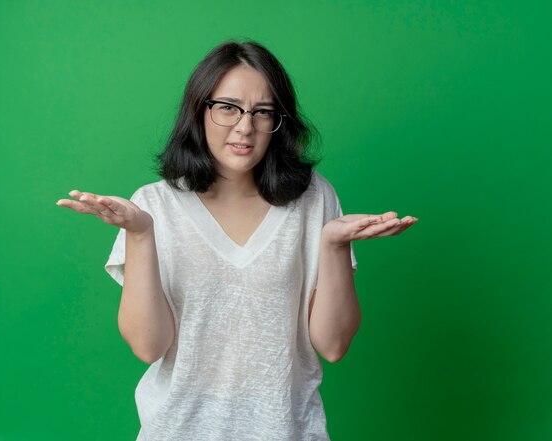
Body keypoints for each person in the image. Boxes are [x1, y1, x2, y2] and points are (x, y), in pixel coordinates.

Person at [56, 40, 417, 440]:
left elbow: (333, 346)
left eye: (263, 112)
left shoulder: (314, 199)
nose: (245, 127)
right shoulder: (152, 205)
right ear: (199, 110)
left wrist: (333, 244)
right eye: (227, 107)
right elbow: (147, 346)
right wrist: (140, 233)